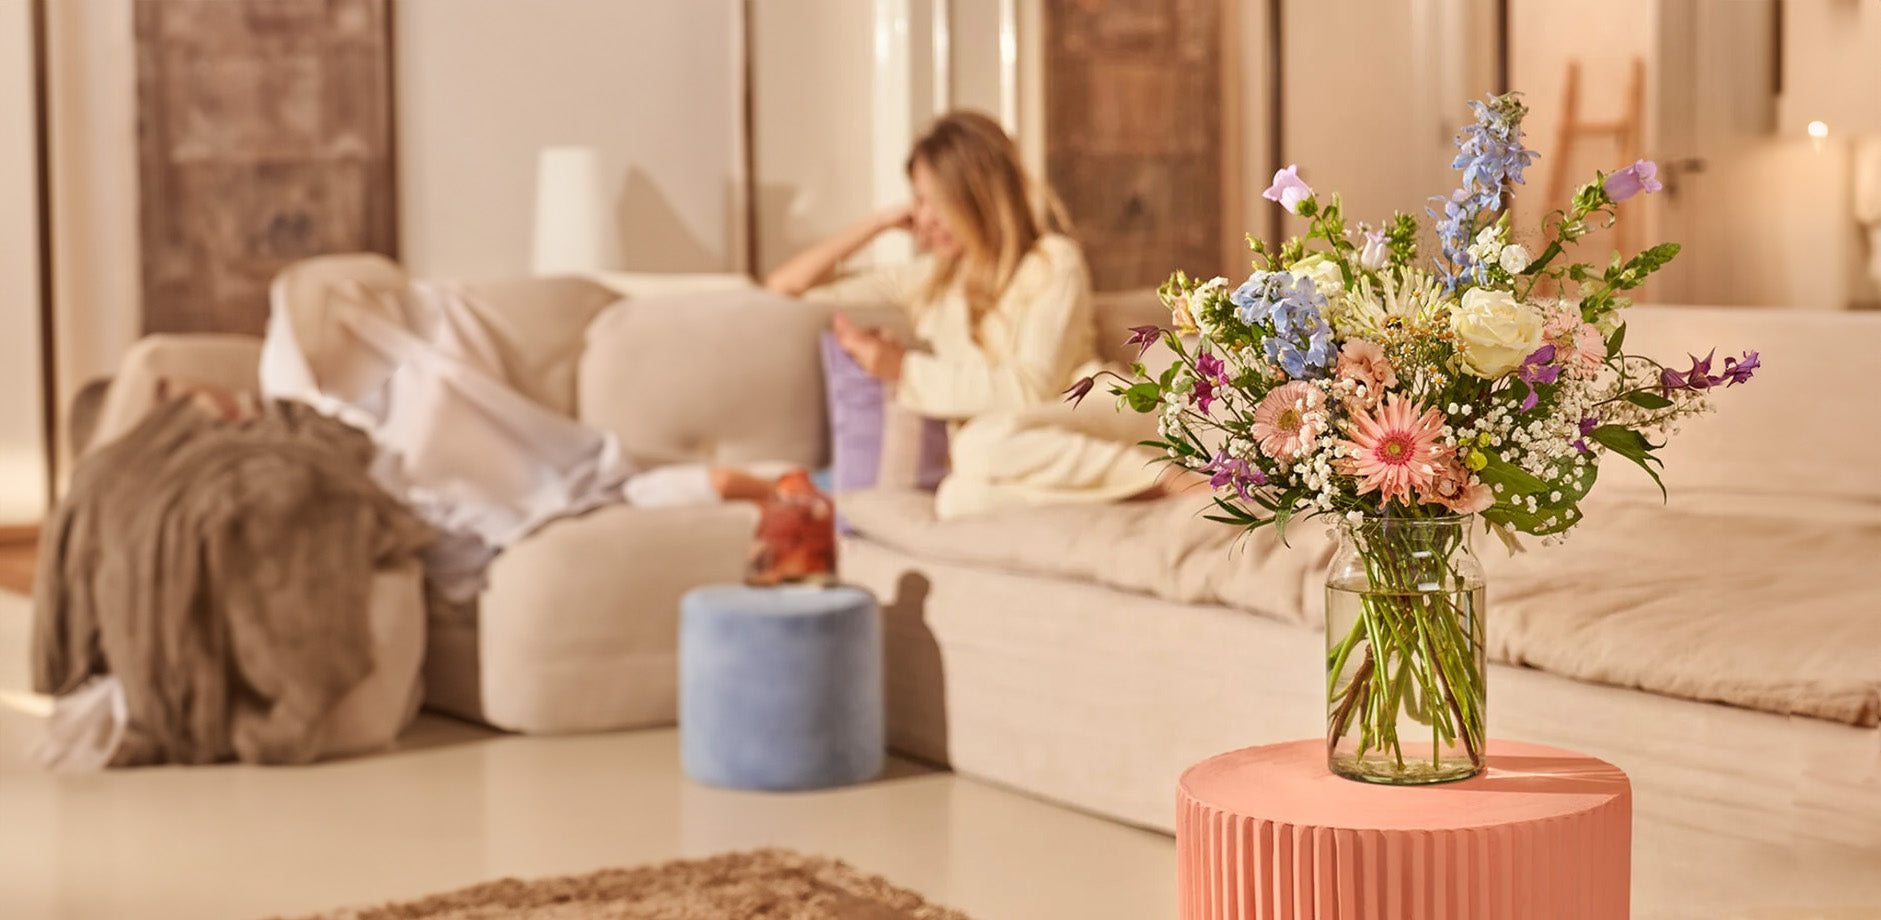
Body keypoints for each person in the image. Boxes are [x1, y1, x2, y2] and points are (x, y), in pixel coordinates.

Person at [765, 111, 1183, 519]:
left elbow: (1030, 388)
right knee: (958, 499)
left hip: (1085, 412)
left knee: (977, 446)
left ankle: (1167, 481)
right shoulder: (931, 282)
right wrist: (879, 222)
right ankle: (1123, 496)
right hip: (1013, 449)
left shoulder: (1053, 262)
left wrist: (903, 371)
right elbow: (784, 290)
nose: (922, 218)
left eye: (932, 201)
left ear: (974, 196)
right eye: (917, 201)